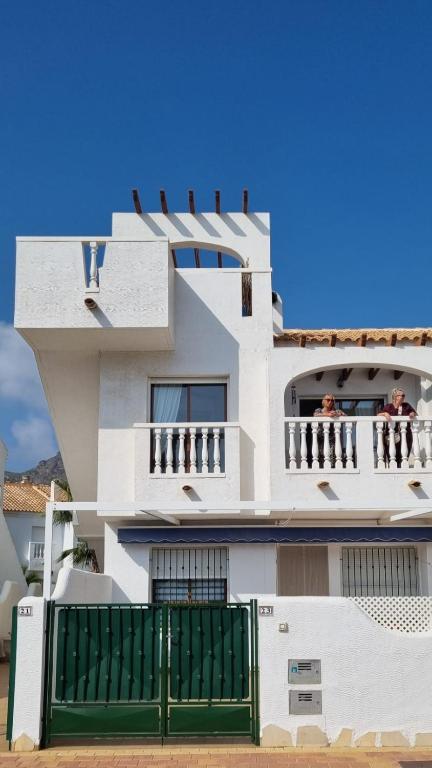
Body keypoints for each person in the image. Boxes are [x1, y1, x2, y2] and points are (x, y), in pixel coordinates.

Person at [378, 388, 417, 467]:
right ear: (395, 397)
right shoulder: (388, 406)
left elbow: (415, 413)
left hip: (406, 436)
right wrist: (385, 414)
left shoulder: (406, 405)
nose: (402, 397)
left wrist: (412, 413)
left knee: (404, 458)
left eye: (403, 395)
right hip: (391, 436)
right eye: (400, 395)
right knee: (392, 458)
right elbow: (378, 415)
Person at [313, 394, 345, 467]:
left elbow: (346, 416)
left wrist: (338, 414)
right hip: (320, 439)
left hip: (332, 439)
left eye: (332, 400)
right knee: (320, 457)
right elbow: (315, 415)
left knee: (332, 459)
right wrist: (328, 414)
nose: (330, 402)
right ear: (324, 401)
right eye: (328, 400)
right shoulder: (319, 410)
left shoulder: (336, 411)